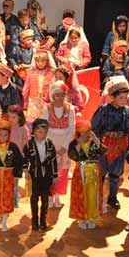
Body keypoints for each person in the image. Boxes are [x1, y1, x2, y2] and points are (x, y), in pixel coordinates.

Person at [91, 77, 129, 210]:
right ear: (112, 97)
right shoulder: (103, 110)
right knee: (101, 172)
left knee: (116, 174)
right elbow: (94, 127)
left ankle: (112, 197)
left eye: (125, 98)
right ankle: (97, 196)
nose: (124, 100)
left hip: (120, 146)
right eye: (121, 98)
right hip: (103, 145)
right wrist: (96, 144)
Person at [42, 81, 76, 209]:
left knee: (62, 170)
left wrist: (65, 146)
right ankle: (49, 196)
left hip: (65, 142)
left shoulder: (70, 109)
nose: (60, 98)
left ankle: (57, 196)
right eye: (57, 95)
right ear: (52, 96)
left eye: (62, 95)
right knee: (50, 171)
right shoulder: (47, 109)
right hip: (50, 142)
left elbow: (71, 128)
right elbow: (44, 128)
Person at [68, 119, 107, 229]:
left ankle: (91, 217)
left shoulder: (94, 142)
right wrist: (79, 143)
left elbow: (103, 151)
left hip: (93, 171)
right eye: (82, 132)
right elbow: (72, 156)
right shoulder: (74, 143)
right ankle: (81, 218)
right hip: (81, 171)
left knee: (93, 195)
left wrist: (95, 138)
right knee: (81, 195)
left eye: (87, 132)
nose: (85, 135)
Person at [22, 119, 58, 232]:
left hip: (46, 176)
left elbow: (53, 160)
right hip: (34, 175)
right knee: (34, 198)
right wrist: (25, 170)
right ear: (34, 131)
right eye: (40, 132)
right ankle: (34, 220)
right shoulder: (29, 145)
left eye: (45, 132)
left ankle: (43, 220)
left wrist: (54, 175)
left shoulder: (50, 144)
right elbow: (25, 159)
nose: (42, 135)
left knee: (45, 199)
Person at [23, 47, 57, 124]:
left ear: (47, 61)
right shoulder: (31, 72)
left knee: (46, 121)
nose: (40, 63)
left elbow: (54, 88)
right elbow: (26, 88)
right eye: (37, 61)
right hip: (33, 101)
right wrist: (25, 101)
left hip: (46, 101)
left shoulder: (52, 73)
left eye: (43, 61)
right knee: (32, 122)